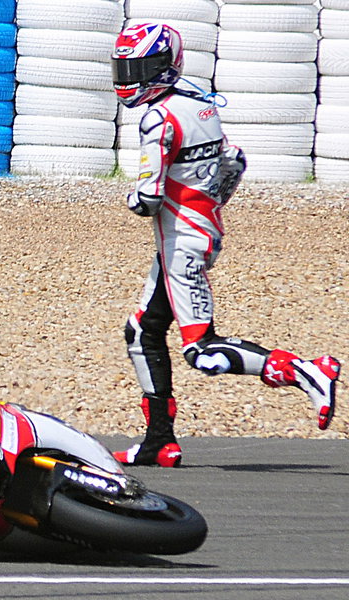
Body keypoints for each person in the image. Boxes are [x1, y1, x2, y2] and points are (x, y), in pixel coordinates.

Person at [111, 22, 340, 467]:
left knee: (203, 352)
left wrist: (133, 197)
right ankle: (160, 440)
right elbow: (234, 164)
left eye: (137, 68)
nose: (128, 79)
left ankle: (307, 370)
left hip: (182, 242)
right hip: (197, 232)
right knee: (142, 330)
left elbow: (147, 199)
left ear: (163, 67)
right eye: (123, 68)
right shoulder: (201, 107)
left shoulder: (157, 118)